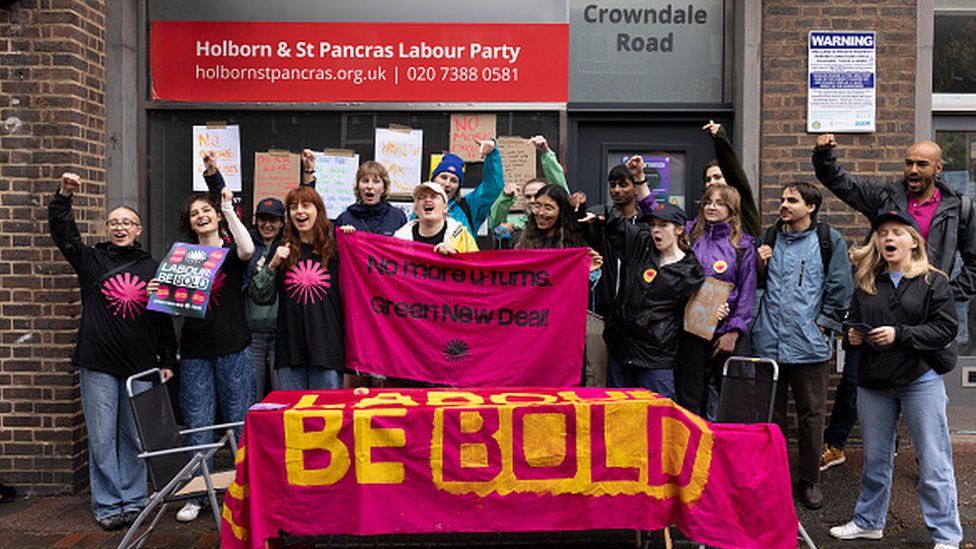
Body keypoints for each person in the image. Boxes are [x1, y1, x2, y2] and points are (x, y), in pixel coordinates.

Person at [813, 135, 976, 472]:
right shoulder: (887, 196)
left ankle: (925, 458)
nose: (913, 170)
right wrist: (825, 156)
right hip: (882, 299)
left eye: (921, 164)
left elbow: (974, 263)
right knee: (856, 376)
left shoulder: (959, 207)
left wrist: (946, 291)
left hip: (927, 309)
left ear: (938, 169)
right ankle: (837, 444)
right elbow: (840, 183)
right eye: (908, 163)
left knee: (923, 381)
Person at [49, 172, 177, 531]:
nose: (120, 227)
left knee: (134, 435)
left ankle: (134, 501)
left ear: (138, 229)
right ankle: (108, 505)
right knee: (103, 438)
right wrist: (63, 197)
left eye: (127, 223)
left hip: (140, 366)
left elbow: (163, 321)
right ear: (108, 228)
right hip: (99, 365)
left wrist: (167, 360)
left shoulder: (154, 268)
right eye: (114, 222)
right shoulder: (91, 262)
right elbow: (64, 235)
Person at [829, 211, 962, 548]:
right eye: (883, 233)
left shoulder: (934, 281)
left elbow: (946, 328)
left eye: (897, 233)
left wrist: (899, 334)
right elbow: (853, 323)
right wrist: (852, 337)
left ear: (913, 242)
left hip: (920, 380)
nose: (888, 238)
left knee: (933, 461)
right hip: (875, 383)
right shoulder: (866, 282)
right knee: (875, 459)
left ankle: (946, 535)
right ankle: (868, 521)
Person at [751, 182, 853, 510]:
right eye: (782, 199)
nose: (784, 204)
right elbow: (754, 285)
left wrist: (823, 325)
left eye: (792, 200)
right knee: (771, 415)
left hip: (809, 345)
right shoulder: (768, 239)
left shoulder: (827, 240)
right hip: (768, 342)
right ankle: (775, 478)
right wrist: (760, 264)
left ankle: (810, 481)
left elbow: (840, 285)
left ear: (810, 206)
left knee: (811, 416)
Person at [166, 154, 256, 523]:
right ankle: (197, 495)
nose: (201, 216)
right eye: (194, 214)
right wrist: (163, 291)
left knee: (238, 423)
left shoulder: (232, 251)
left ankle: (243, 492)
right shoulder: (183, 257)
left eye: (206, 210)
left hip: (234, 348)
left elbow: (249, 249)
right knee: (199, 424)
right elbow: (175, 309)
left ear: (216, 215)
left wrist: (227, 209)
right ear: (188, 224)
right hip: (195, 352)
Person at [588, 203, 704, 395]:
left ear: (679, 229)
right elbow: (621, 227)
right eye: (653, 225)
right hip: (621, 351)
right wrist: (604, 213)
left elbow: (700, 311)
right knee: (618, 415)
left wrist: (718, 310)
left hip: (655, 358)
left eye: (663, 225)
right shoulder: (641, 246)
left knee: (657, 418)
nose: (656, 230)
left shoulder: (690, 272)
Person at [250, 186, 345, 390]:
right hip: (290, 351)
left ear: (318, 210)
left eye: (305, 205)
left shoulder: (336, 249)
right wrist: (273, 264)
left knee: (326, 417)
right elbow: (259, 295)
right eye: (293, 207)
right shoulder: (282, 250)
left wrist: (351, 235)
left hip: (326, 349)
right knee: (292, 418)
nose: (299, 211)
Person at [676, 184, 757, 419]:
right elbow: (662, 220)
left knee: (732, 400)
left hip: (726, 332)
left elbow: (747, 292)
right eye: (708, 202)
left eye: (720, 203)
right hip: (692, 328)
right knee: (690, 397)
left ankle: (728, 452)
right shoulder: (690, 234)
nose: (712, 207)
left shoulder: (743, 245)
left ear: (732, 210)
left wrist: (734, 331)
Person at [488, 135, 568, 246]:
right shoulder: (516, 223)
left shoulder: (561, 223)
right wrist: (505, 198)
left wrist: (546, 153)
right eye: (528, 196)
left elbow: (561, 190)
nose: (532, 200)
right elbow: (495, 225)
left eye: (537, 195)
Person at [245, 197, 285, 399]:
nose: (267, 225)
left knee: (282, 396)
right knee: (252, 393)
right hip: (252, 333)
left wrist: (309, 175)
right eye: (263, 219)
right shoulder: (247, 245)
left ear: (282, 222)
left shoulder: (289, 244)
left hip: (282, 333)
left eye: (274, 220)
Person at [430, 140, 504, 237]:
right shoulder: (422, 208)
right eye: (443, 177)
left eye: (454, 180)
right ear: (433, 180)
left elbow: (492, 188)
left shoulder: (469, 207)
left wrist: (492, 155)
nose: (447, 184)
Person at [701, 120, 761, 237]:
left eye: (717, 177)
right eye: (708, 180)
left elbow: (732, 171)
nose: (712, 182)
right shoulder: (705, 215)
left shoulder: (742, 205)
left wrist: (720, 138)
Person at [394, 182, 478, 253]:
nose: (428, 200)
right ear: (415, 209)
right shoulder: (399, 240)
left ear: (445, 208)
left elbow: (476, 266)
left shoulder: (462, 237)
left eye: (434, 197)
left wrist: (455, 255)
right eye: (422, 197)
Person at [335, 160, 407, 235]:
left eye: (376, 182)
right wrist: (343, 235)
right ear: (358, 187)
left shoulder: (397, 217)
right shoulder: (345, 219)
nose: (369, 186)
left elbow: (406, 245)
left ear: (384, 188)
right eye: (365, 181)